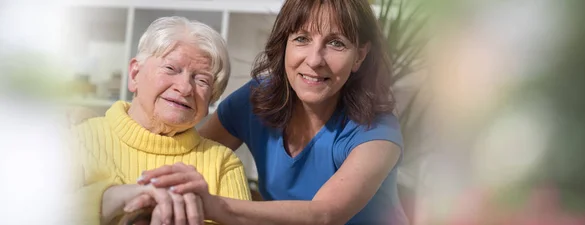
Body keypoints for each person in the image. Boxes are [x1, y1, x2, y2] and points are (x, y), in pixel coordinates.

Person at [132, 0, 408, 224]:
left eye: (336, 43)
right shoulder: (257, 97)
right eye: (301, 38)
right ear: (284, 44)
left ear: (359, 56)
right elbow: (191, 154)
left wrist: (214, 206)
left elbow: (325, 215)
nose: (314, 60)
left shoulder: (377, 130)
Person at [70, 16, 251, 225]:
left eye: (201, 80)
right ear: (135, 73)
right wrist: (107, 199)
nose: (184, 88)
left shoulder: (223, 163)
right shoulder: (77, 140)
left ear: (212, 97)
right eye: (171, 69)